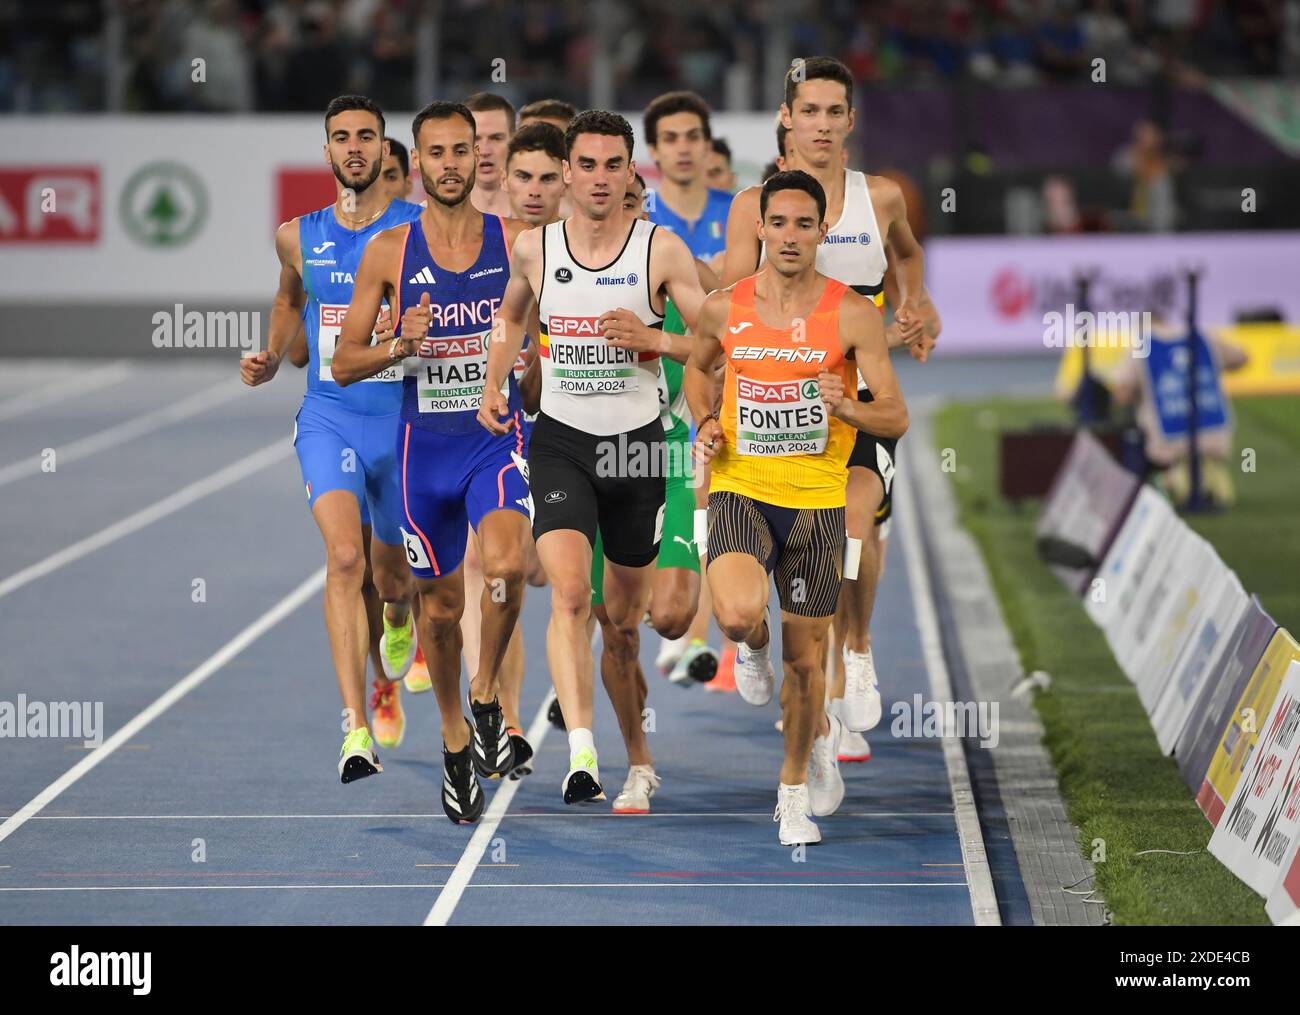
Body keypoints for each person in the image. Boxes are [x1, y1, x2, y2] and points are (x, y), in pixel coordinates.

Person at [478, 109, 707, 805]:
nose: (599, 178)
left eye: (614, 165)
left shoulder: (660, 250)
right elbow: (513, 314)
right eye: (588, 165)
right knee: (571, 593)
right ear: (568, 172)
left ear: (630, 170)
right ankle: (582, 751)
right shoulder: (535, 248)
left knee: (625, 631)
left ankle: (639, 756)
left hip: (637, 453)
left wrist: (654, 339)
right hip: (562, 443)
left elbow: (718, 341)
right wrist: (495, 380)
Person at [721, 57, 940, 773]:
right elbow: (729, 295)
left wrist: (918, 298)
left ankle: (858, 652)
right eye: (807, 111)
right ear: (787, 118)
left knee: (856, 528)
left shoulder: (879, 198)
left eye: (833, 112)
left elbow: (906, 253)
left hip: (858, 400)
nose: (820, 124)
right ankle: (768, 651)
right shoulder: (756, 205)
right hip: (778, 408)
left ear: (850, 120)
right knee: (781, 564)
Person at [686, 170, 907, 844]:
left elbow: (895, 415)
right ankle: (750, 647)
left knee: (807, 665)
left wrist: (847, 404)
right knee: (736, 613)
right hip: (741, 487)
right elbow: (698, 369)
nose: (788, 236)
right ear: (761, 229)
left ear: (820, 233)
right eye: (776, 223)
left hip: (816, 502)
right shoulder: (724, 307)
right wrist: (703, 423)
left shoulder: (852, 314)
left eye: (802, 225)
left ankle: (793, 790)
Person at [334, 100, 534, 824]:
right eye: (438, 153)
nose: (453, 163)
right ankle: (455, 738)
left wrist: (527, 366)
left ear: (481, 158)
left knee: (509, 567)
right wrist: (399, 343)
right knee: (441, 613)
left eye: (465, 150)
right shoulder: (389, 250)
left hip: (495, 438)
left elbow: (535, 350)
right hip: (424, 450)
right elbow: (343, 360)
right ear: (417, 165)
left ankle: (486, 699)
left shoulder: (516, 242)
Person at [241, 95, 422, 780]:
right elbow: (291, 297)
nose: (354, 148)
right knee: (345, 558)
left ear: (383, 151)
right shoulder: (296, 234)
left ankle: (399, 616)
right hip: (330, 415)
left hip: (403, 418)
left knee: (391, 575)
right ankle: (354, 728)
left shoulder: (419, 228)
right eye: (341, 137)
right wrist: (270, 351)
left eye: (366, 137)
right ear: (326, 151)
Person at [465, 92, 516, 217]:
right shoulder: (427, 217)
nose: (485, 151)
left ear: (515, 140)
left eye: (496, 138)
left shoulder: (540, 218)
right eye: (475, 139)